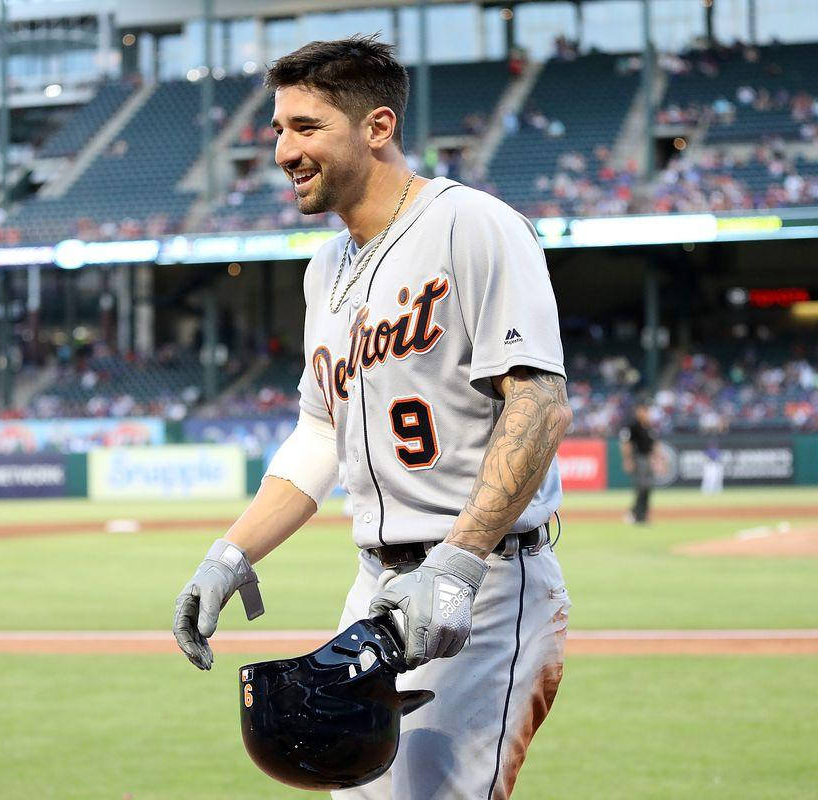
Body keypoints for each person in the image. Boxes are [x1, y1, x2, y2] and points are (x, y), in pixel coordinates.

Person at [172, 36, 575, 800]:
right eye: (279, 130)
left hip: (480, 584)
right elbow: (320, 432)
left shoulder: (473, 225)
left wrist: (456, 565)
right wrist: (230, 554)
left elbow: (539, 402)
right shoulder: (324, 267)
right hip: (376, 593)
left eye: (306, 127)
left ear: (378, 127)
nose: (285, 150)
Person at [619, 398, 657, 524]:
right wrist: (628, 460)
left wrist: (657, 460)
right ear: (637, 411)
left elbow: (653, 445)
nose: (645, 413)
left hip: (647, 459)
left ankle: (643, 514)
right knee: (641, 486)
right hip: (638, 458)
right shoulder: (632, 425)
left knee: (647, 487)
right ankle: (635, 513)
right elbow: (626, 443)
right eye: (643, 410)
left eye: (646, 411)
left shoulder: (648, 426)